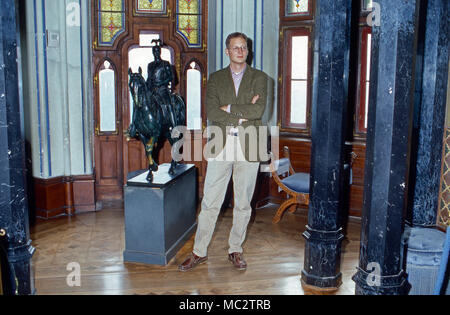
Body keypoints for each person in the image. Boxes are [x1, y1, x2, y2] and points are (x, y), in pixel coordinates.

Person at [179, 32, 268, 272]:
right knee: (209, 202)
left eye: (244, 47)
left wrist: (229, 108)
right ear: (227, 51)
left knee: (243, 204)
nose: (240, 51)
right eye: (235, 47)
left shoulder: (260, 78)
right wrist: (242, 112)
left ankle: (235, 249)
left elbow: (258, 110)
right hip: (220, 145)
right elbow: (212, 112)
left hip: (250, 147)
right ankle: (199, 252)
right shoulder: (216, 79)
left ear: (247, 51)